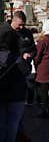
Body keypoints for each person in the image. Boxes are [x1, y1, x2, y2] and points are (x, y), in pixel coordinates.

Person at [0, 11, 31, 142]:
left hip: (11, 88)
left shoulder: (25, 34)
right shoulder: (4, 32)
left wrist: (29, 56)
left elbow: (32, 50)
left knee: (7, 123)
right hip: (12, 89)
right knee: (11, 123)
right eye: (19, 25)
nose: (21, 28)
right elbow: (25, 70)